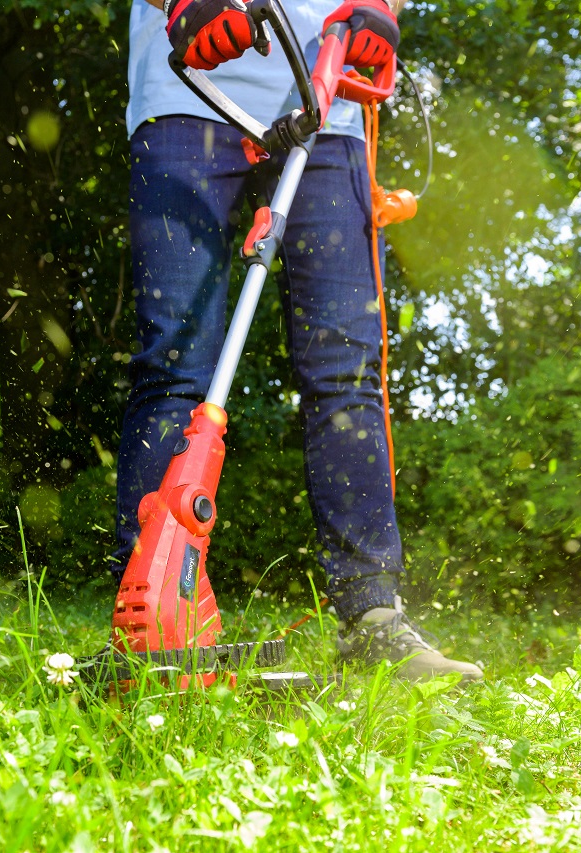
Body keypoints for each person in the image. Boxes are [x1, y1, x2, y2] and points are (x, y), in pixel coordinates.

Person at [113, 0, 482, 681]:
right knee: (176, 358)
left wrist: (378, 8)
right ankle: (148, 608)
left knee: (346, 366)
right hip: (186, 86)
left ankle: (374, 615)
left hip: (328, 93)